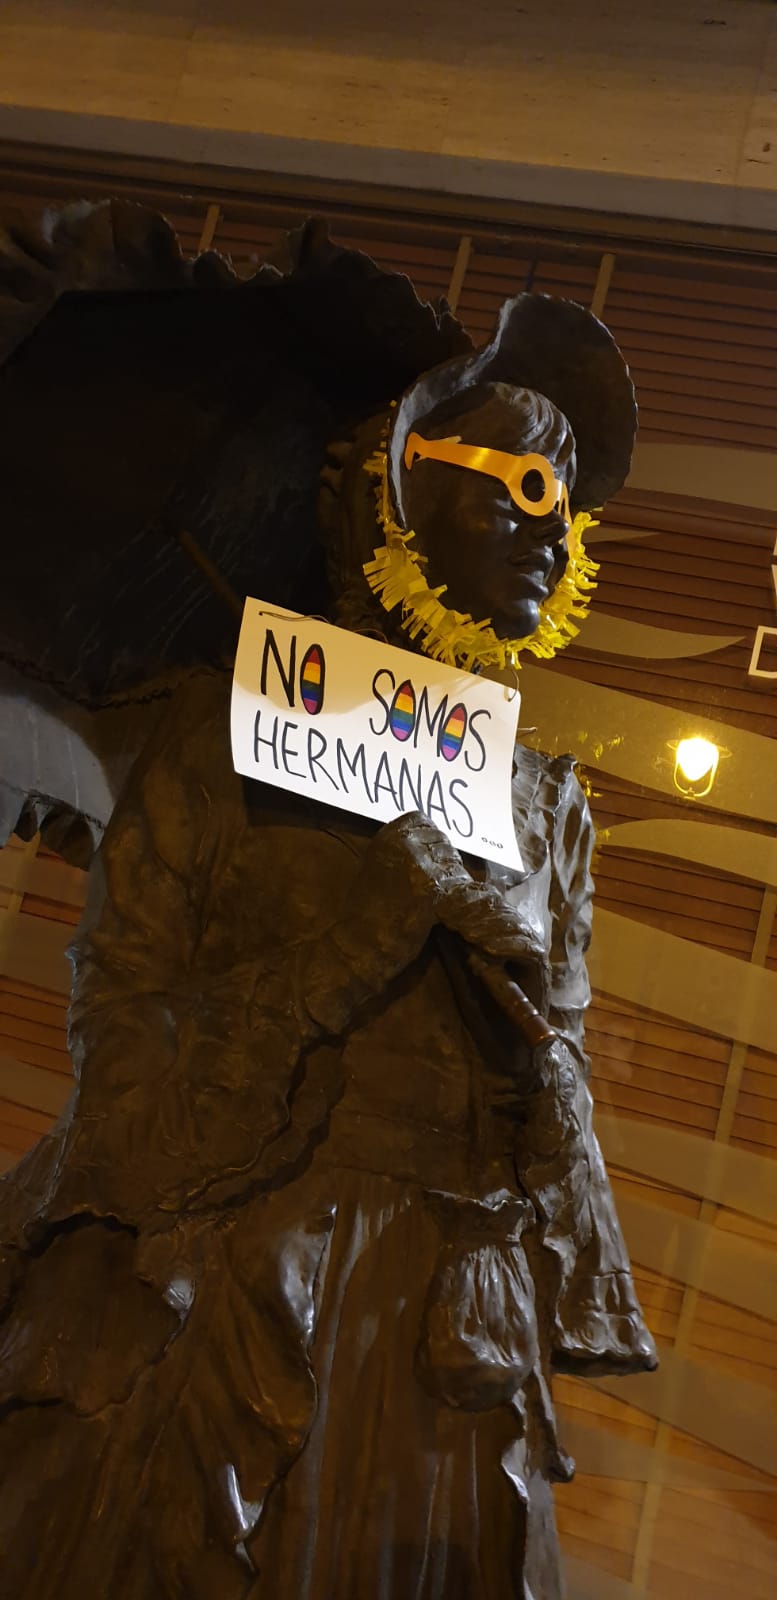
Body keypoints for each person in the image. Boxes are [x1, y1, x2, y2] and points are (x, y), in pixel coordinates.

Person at [0, 208, 655, 1600]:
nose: (553, 521)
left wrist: (530, 1012)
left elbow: (561, 1100)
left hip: (450, 1338)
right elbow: (124, 1033)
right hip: (217, 1282)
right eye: (514, 481)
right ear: (395, 492)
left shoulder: (545, 806)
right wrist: (369, 928)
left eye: (568, 500)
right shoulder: (202, 726)